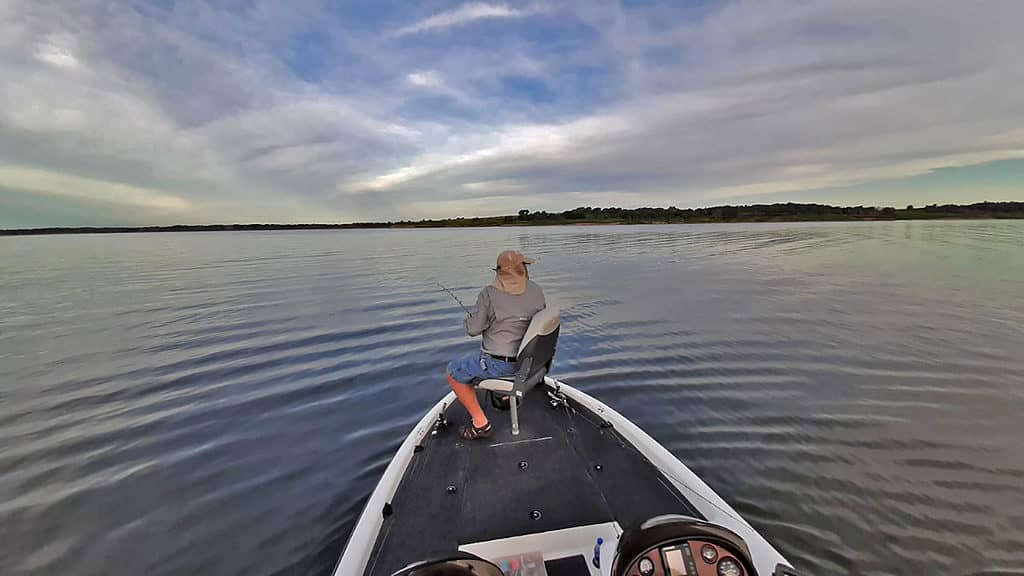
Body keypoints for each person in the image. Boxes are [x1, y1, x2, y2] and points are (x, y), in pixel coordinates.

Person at [446, 250, 546, 440]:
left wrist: (470, 320)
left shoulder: (488, 294)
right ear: (522, 269)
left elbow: (473, 330)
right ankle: (508, 392)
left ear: (499, 272)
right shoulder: (536, 290)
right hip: (532, 362)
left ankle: (480, 424)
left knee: (452, 372)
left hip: (501, 365)